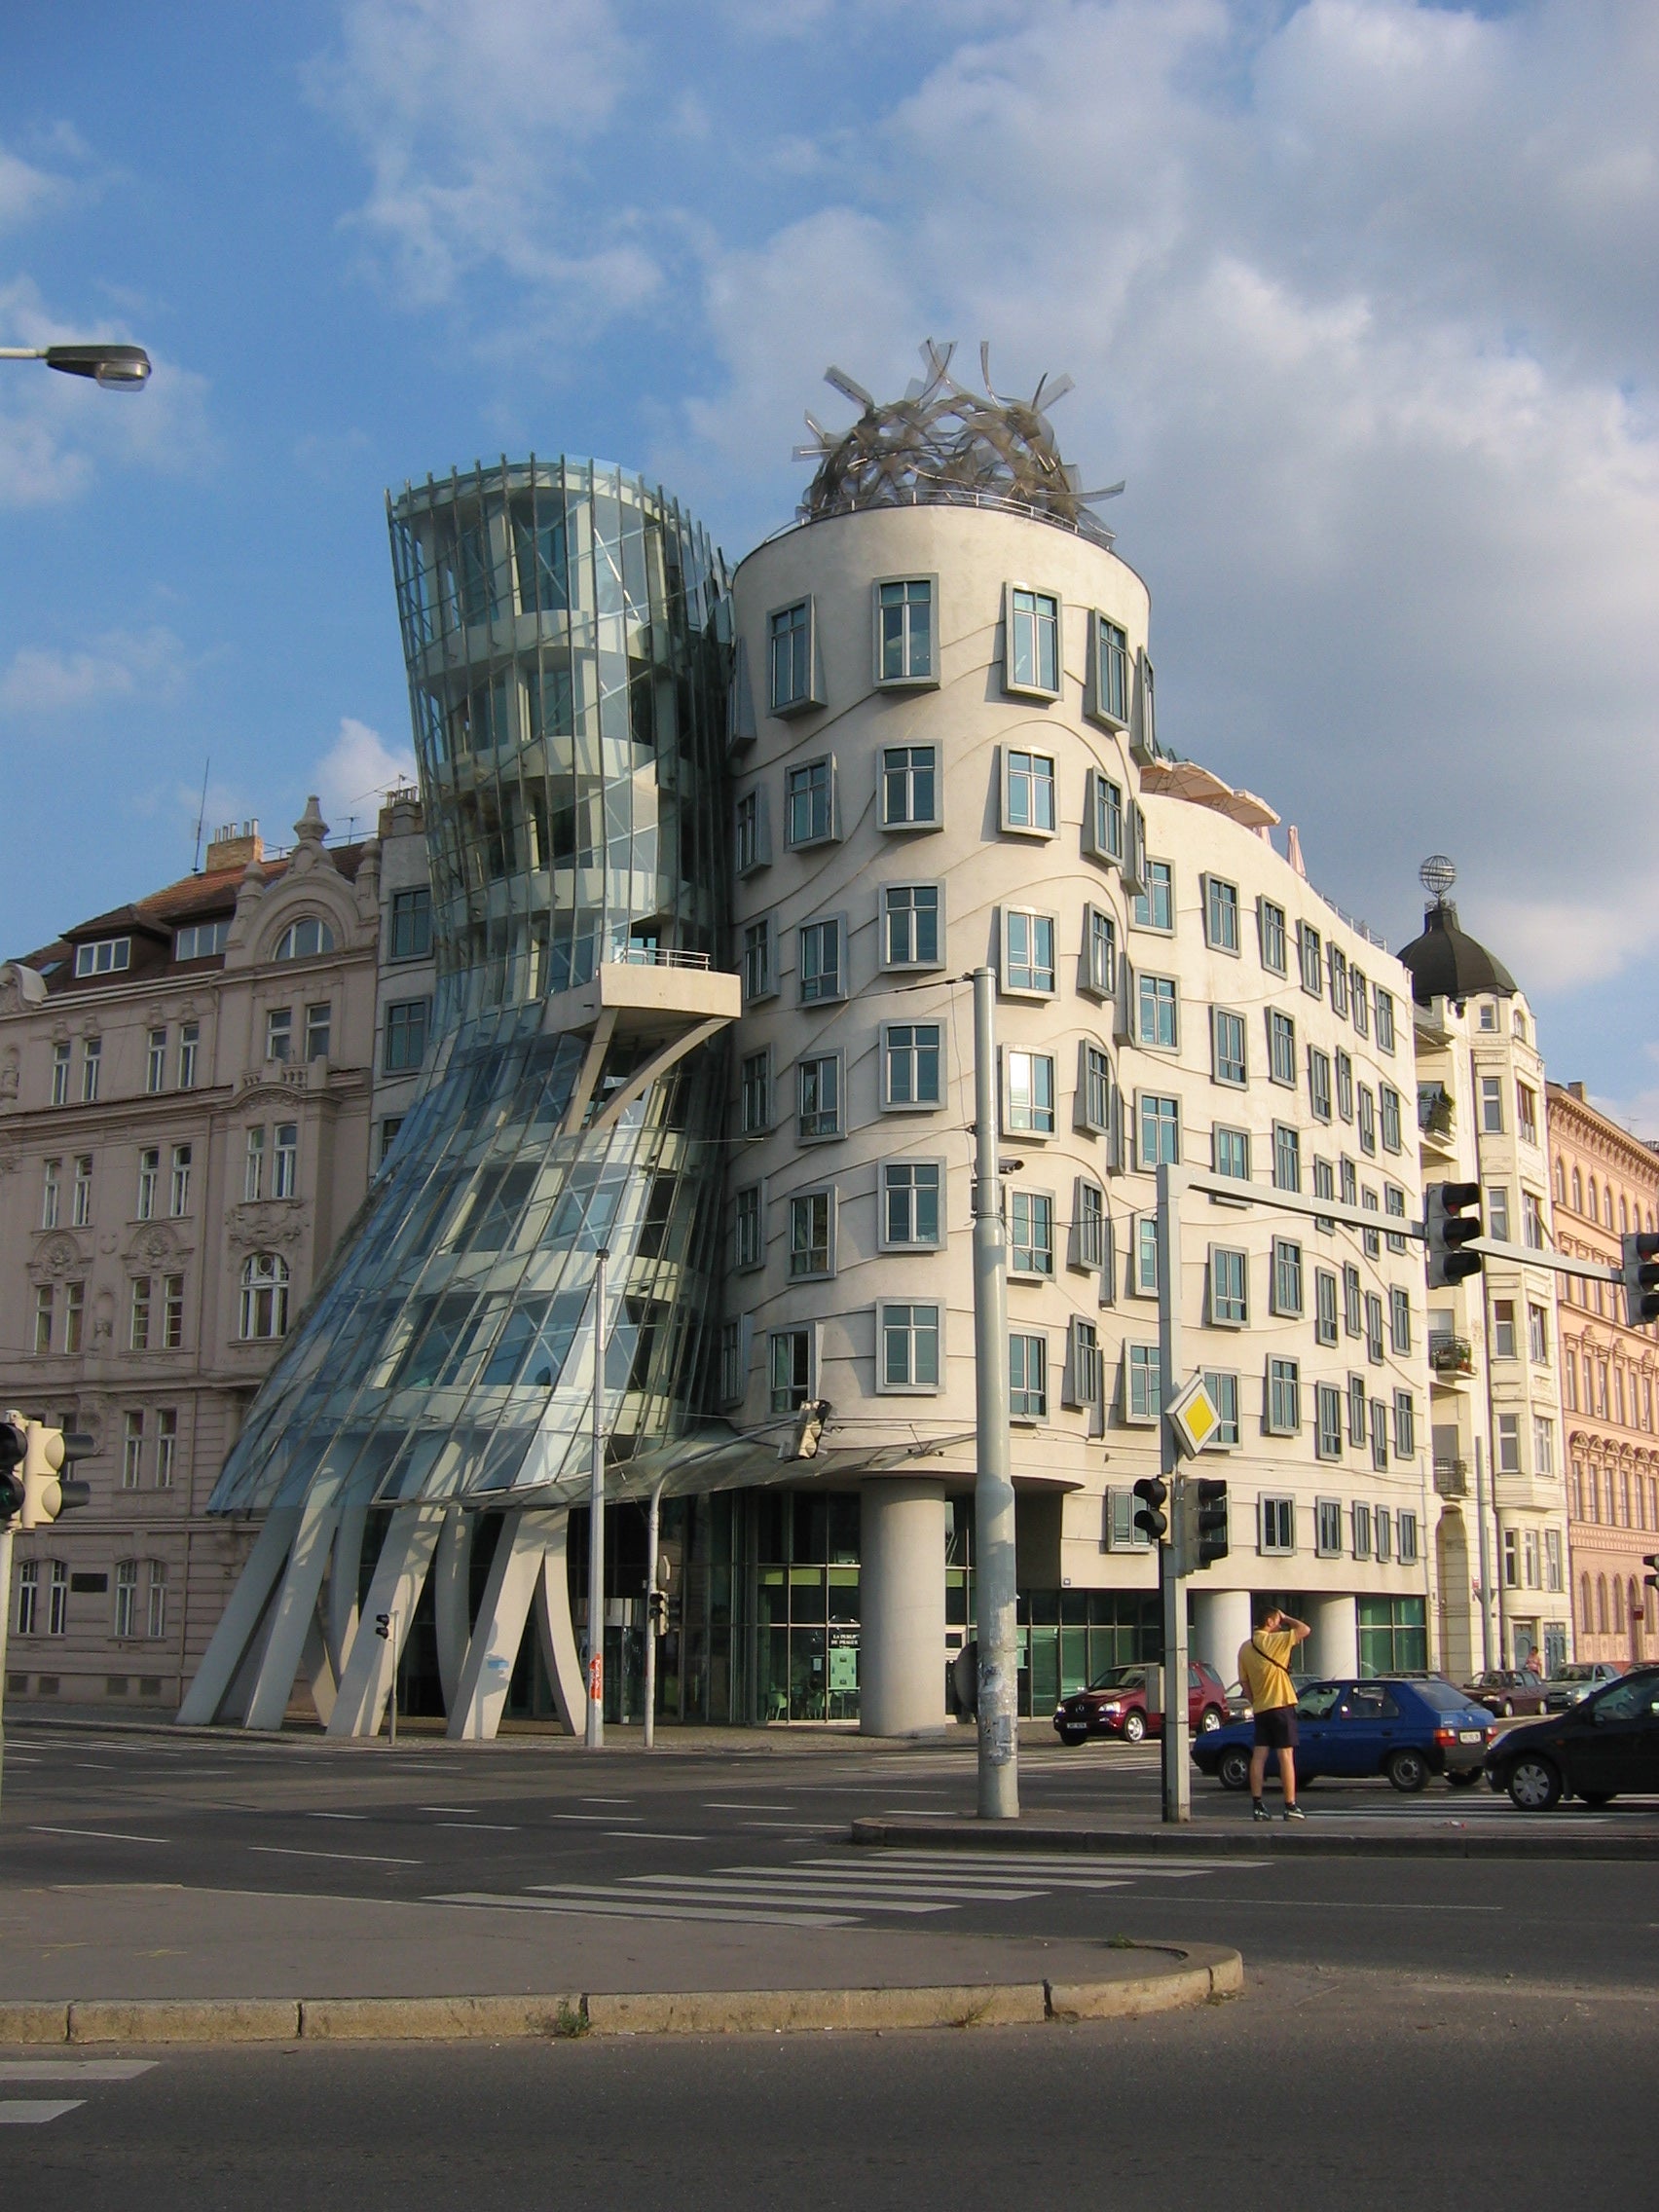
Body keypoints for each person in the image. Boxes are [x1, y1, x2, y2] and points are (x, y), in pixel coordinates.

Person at [1238, 1599, 1311, 1822]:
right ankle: (1290, 1805)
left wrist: (1256, 1701)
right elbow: (1305, 1629)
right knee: (1285, 1755)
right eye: (1277, 1622)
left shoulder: (1246, 1647)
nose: (1280, 1626)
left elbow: (1244, 1682)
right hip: (1281, 1704)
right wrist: (1286, 1616)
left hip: (1261, 1708)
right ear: (1269, 1622)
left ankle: (1258, 1805)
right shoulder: (1276, 1641)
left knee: (1259, 1755)